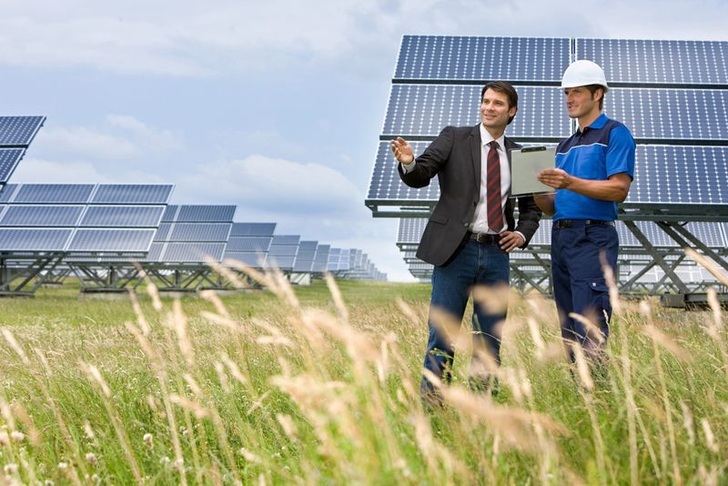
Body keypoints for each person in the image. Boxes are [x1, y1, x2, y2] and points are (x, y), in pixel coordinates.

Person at [390, 80, 542, 404]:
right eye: (485, 101)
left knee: (489, 341)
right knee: (442, 336)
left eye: (498, 103)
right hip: (454, 253)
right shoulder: (454, 137)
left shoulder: (523, 157)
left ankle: (481, 412)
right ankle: (432, 412)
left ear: (511, 111)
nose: (489, 107)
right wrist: (408, 162)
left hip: (496, 255)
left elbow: (532, 210)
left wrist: (523, 234)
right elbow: (422, 174)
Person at [535, 60, 635, 371]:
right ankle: (582, 400)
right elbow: (550, 206)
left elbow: (618, 189)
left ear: (597, 94)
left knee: (590, 327)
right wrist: (534, 189)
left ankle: (598, 400)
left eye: (576, 92)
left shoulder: (614, 134)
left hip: (593, 239)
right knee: (568, 328)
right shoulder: (564, 146)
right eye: (566, 93)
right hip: (561, 237)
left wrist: (570, 182)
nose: (569, 99)